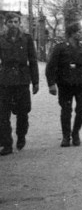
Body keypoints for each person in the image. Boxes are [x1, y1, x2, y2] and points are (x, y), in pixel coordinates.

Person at [45, 21, 82, 147]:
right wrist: (51, 84)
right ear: (71, 34)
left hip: (80, 83)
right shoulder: (60, 48)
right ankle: (66, 136)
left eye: (81, 31)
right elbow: (51, 67)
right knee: (66, 110)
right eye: (78, 32)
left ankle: (75, 133)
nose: (81, 34)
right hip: (65, 83)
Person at [0, 13, 39, 156]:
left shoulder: (26, 39)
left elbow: (33, 61)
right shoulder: (1, 39)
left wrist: (35, 82)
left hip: (22, 80)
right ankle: (7, 144)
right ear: (6, 23)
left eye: (16, 21)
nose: (13, 24)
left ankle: (21, 135)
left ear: (19, 23)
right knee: (3, 114)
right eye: (10, 22)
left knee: (23, 112)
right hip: (5, 80)